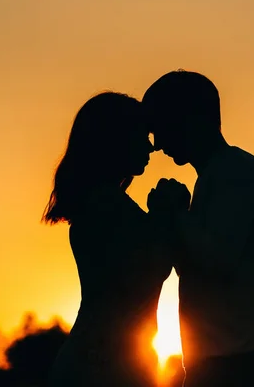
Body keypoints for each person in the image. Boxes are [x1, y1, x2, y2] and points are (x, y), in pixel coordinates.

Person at [143, 70, 254, 386]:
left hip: (239, 365)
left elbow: (218, 261)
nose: (158, 144)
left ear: (190, 119)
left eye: (161, 127)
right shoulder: (213, 177)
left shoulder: (235, 171)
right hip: (216, 362)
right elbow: (194, 268)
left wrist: (176, 213)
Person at [43, 92, 174, 386]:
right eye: (142, 136)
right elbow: (143, 276)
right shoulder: (106, 205)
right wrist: (165, 217)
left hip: (104, 359)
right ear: (115, 140)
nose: (151, 147)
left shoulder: (104, 202)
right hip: (102, 364)